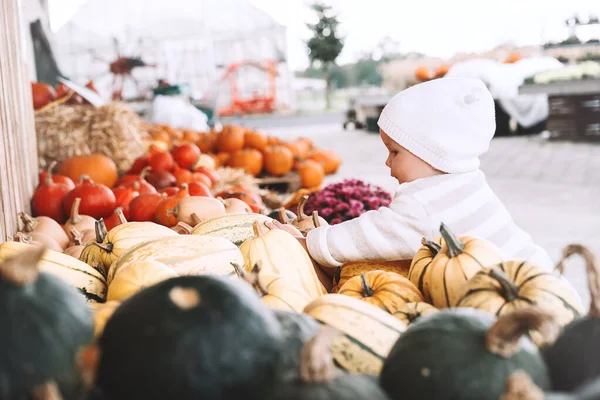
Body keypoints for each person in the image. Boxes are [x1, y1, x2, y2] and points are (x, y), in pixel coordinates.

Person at [266, 77, 554, 274]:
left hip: (515, 296)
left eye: (395, 152)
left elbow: (370, 234)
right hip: (539, 273)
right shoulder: (469, 179)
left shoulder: (422, 205)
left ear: (431, 151)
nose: (387, 163)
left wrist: (312, 244)